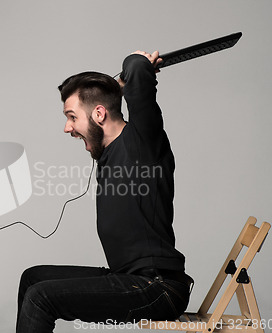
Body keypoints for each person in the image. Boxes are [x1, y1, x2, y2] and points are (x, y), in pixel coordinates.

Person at [16, 50, 193, 332]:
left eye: (72, 116)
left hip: (157, 287)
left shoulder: (142, 144)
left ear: (99, 114)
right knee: (32, 279)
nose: (66, 127)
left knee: (41, 297)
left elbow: (135, 65)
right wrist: (117, 88)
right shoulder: (108, 153)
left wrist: (138, 70)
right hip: (127, 278)